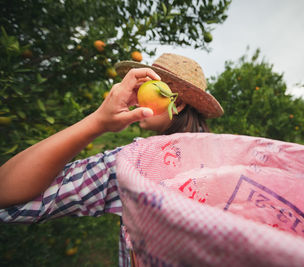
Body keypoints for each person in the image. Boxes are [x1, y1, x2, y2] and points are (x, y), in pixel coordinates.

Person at [0, 53, 224, 266]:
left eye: (146, 89)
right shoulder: (229, 159)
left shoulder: (135, 162)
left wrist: (98, 121)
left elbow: (7, 191)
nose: (136, 101)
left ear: (178, 104)